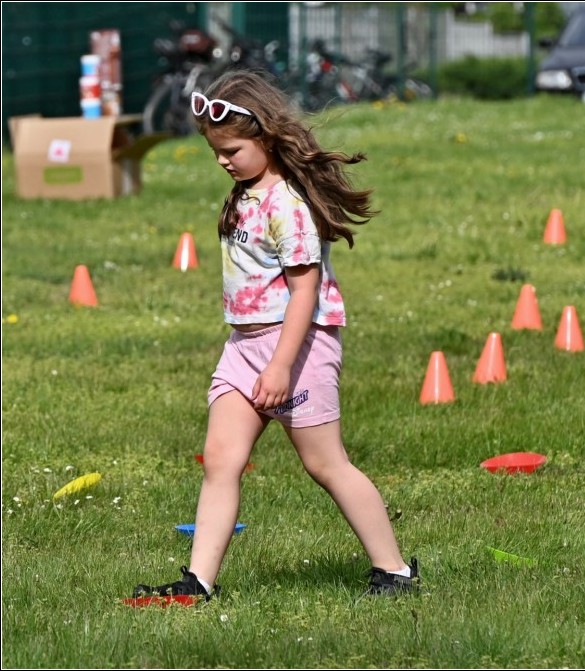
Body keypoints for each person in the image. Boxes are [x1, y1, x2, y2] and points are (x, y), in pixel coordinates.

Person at [132, 70, 418, 602]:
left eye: (232, 149)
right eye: (215, 150)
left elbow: (305, 295)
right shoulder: (243, 194)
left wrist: (281, 366)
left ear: (266, 139)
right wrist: (258, 359)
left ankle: (394, 570)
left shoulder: (287, 205)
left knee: (324, 463)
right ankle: (198, 583)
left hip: (297, 347)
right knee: (221, 460)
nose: (222, 160)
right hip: (243, 348)